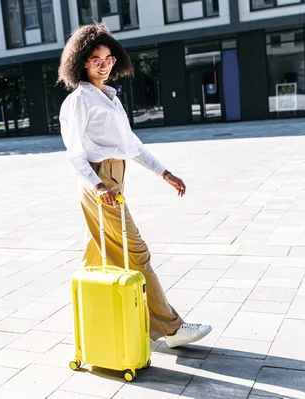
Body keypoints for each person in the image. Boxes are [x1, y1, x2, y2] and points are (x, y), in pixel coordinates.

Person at [57, 23, 211, 349]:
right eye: (95, 59)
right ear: (81, 61)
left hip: (113, 178)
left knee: (98, 256)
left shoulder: (109, 97)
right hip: (100, 182)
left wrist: (164, 173)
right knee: (136, 253)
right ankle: (171, 329)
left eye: (109, 58)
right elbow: (74, 155)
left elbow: (132, 145)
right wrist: (99, 187)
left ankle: (100, 327)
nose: (104, 64)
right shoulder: (79, 101)